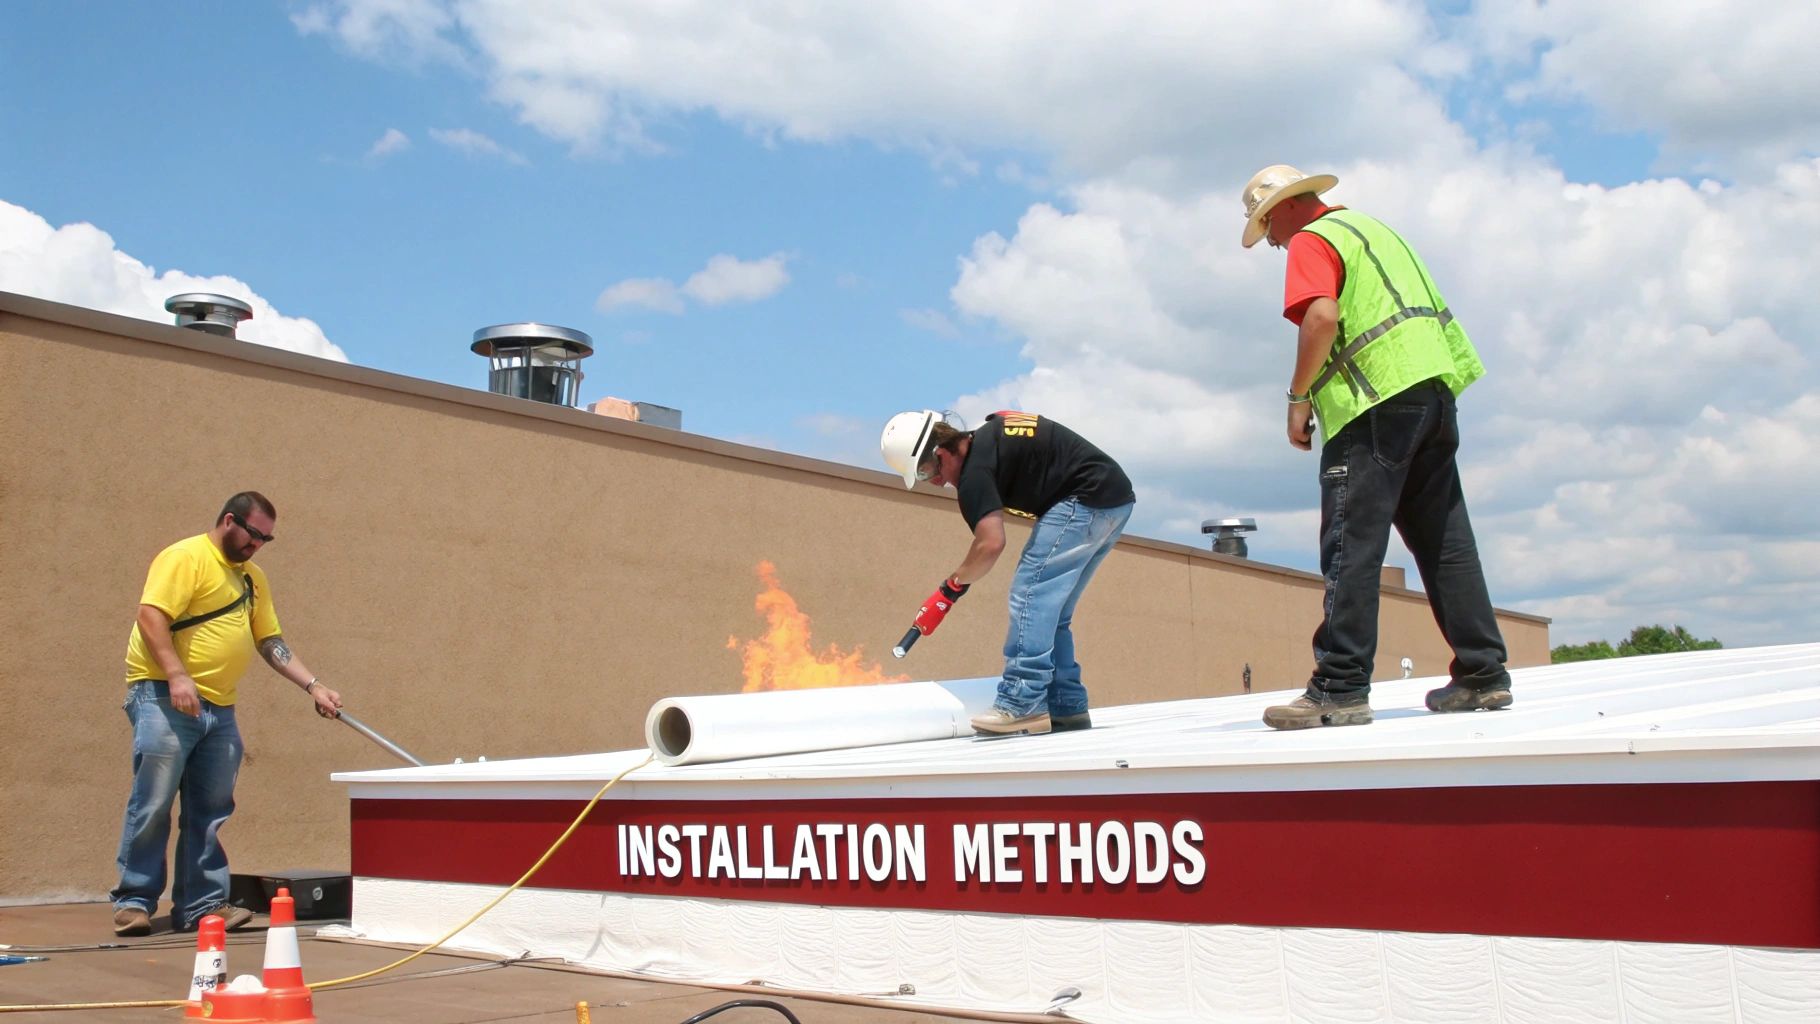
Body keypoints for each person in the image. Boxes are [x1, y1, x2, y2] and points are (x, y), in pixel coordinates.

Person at [1239, 164, 1512, 730]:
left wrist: (1298, 396)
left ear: (1287, 207)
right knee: (1445, 543)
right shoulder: (1378, 232)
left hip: (1373, 405)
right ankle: (1483, 675)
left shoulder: (1312, 238)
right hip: (1433, 393)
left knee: (1350, 544)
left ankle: (1339, 685)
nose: (1272, 240)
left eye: (1267, 226)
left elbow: (1321, 317)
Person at [110, 492, 344, 936]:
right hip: (162, 695)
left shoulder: (252, 579)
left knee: (211, 809)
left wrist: (314, 686)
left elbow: (269, 641)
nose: (257, 545)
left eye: (266, 540)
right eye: (254, 534)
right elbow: (150, 615)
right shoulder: (186, 557)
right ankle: (134, 902)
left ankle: (200, 906)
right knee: (154, 802)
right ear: (229, 520)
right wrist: (177, 675)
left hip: (219, 707)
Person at [880, 410, 1135, 735]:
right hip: (1115, 499)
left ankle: (1022, 702)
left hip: (1085, 498)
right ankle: (1067, 707)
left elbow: (990, 544)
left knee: (1030, 594)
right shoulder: (988, 440)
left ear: (941, 452)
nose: (938, 482)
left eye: (927, 471)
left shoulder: (974, 474)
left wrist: (951, 587)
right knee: (1051, 612)